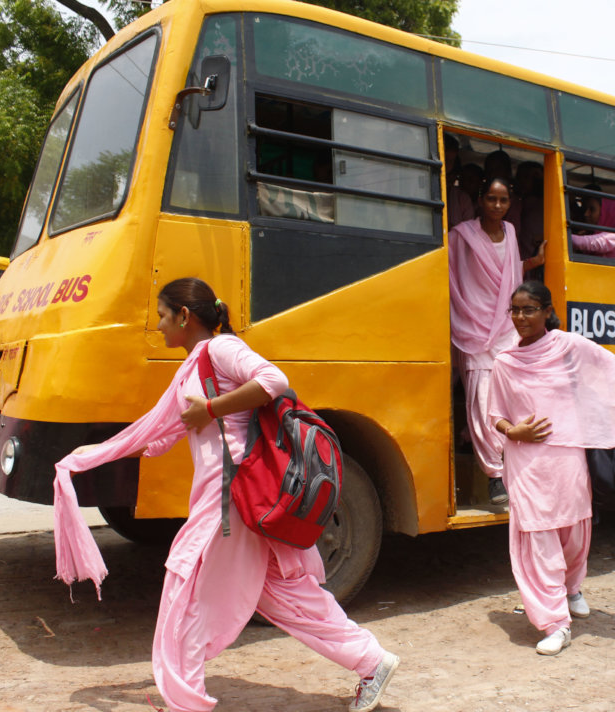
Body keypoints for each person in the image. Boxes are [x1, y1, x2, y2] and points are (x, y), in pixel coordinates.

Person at [52, 278, 398, 712]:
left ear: (184, 316)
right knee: (282, 596)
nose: (158, 327)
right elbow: (161, 432)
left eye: (162, 316)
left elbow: (274, 379)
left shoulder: (219, 350)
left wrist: (212, 409)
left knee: (189, 586)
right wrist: (94, 454)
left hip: (230, 501)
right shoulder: (193, 367)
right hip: (236, 503)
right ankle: (371, 660)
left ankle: (186, 694)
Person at [488, 281, 615, 655]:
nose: (520, 317)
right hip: (526, 464)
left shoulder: (569, 348)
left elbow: (607, 369)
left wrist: (601, 427)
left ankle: (572, 588)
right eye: (514, 310)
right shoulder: (504, 362)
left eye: (529, 309)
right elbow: (495, 415)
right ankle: (555, 622)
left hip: (568, 460)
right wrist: (513, 431)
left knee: (573, 533)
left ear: (547, 311)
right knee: (538, 538)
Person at [449, 178, 545, 506]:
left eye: (503, 200)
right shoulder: (462, 235)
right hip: (472, 327)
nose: (497, 206)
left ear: (510, 202)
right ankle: (495, 475)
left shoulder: (513, 232)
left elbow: (511, 276)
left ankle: (513, 463)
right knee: (480, 399)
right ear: (479, 199)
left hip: (506, 325)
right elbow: (447, 267)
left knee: (511, 395)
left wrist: (533, 263)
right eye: (491, 199)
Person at [571, 187, 615, 260]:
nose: (586, 214)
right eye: (585, 209)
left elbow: (578, 242)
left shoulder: (613, 237)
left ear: (605, 213)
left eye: (592, 209)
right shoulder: (592, 233)